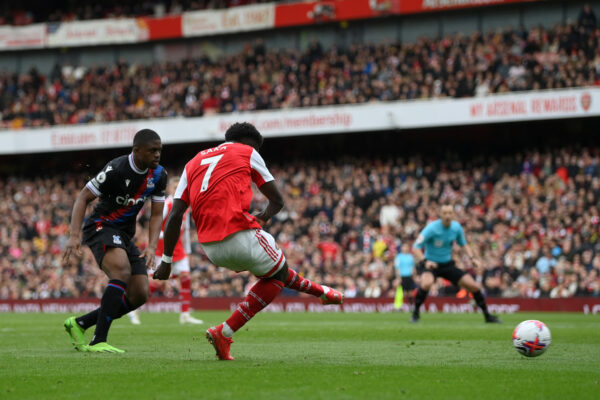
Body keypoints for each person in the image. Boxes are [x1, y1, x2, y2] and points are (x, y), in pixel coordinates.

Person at [153, 122, 343, 360]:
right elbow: (278, 200)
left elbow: (175, 215)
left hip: (210, 247)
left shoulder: (193, 162)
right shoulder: (247, 152)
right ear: (249, 143)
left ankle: (324, 293)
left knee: (275, 273)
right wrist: (266, 214)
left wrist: (167, 260)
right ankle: (225, 331)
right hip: (239, 233)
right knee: (278, 275)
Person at [62, 129, 167, 353]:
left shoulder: (159, 175)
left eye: (159, 150)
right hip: (101, 225)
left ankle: (80, 324)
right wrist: (74, 236)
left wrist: (151, 246)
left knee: (139, 294)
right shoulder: (116, 169)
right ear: (137, 150)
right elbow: (83, 197)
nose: (157, 154)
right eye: (152, 150)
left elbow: (157, 214)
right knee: (120, 271)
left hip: (124, 233)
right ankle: (98, 340)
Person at [127, 177, 203, 325]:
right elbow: (155, 224)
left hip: (178, 248)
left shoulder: (185, 207)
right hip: (162, 248)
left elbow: (185, 229)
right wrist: (155, 242)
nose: (178, 190)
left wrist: (186, 249)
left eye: (180, 187)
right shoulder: (167, 204)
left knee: (186, 278)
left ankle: (185, 314)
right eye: (175, 187)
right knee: (156, 283)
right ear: (170, 189)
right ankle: (132, 309)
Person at [410, 205, 501, 324]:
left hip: (447, 264)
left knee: (474, 286)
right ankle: (415, 313)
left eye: (450, 213)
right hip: (431, 264)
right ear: (441, 214)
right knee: (426, 283)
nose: (447, 216)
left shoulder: (456, 227)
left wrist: (472, 258)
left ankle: (487, 316)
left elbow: (464, 244)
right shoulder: (431, 228)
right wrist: (425, 261)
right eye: (445, 213)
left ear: (453, 214)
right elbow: (416, 247)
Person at [394, 243, 415, 307]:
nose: (405, 248)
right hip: (402, 277)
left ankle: (411, 305)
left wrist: (413, 276)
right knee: (400, 292)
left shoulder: (410, 257)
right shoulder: (398, 257)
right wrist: (398, 277)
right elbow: (397, 268)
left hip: (409, 276)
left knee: (410, 293)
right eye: (404, 247)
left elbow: (412, 267)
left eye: (406, 247)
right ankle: (398, 306)